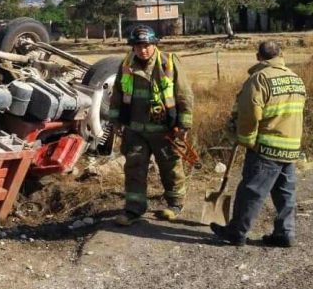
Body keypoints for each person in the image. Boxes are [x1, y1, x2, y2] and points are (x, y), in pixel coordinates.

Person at [211, 41, 306, 247]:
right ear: (281, 54)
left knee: (252, 191)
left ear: (258, 57)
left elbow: (249, 114)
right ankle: (285, 233)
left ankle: (237, 232)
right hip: (291, 147)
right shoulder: (296, 78)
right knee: (285, 193)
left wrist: (246, 140)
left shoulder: (259, 79)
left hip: (266, 147)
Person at [109, 25, 194, 226]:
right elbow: (117, 95)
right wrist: (115, 121)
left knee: (170, 166)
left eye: (146, 45)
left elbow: (184, 95)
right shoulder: (126, 65)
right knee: (134, 169)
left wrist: (184, 125)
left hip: (165, 130)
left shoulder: (169, 63)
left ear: (154, 44)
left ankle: (175, 204)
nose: (142, 50)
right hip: (135, 130)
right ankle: (134, 209)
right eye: (138, 46)